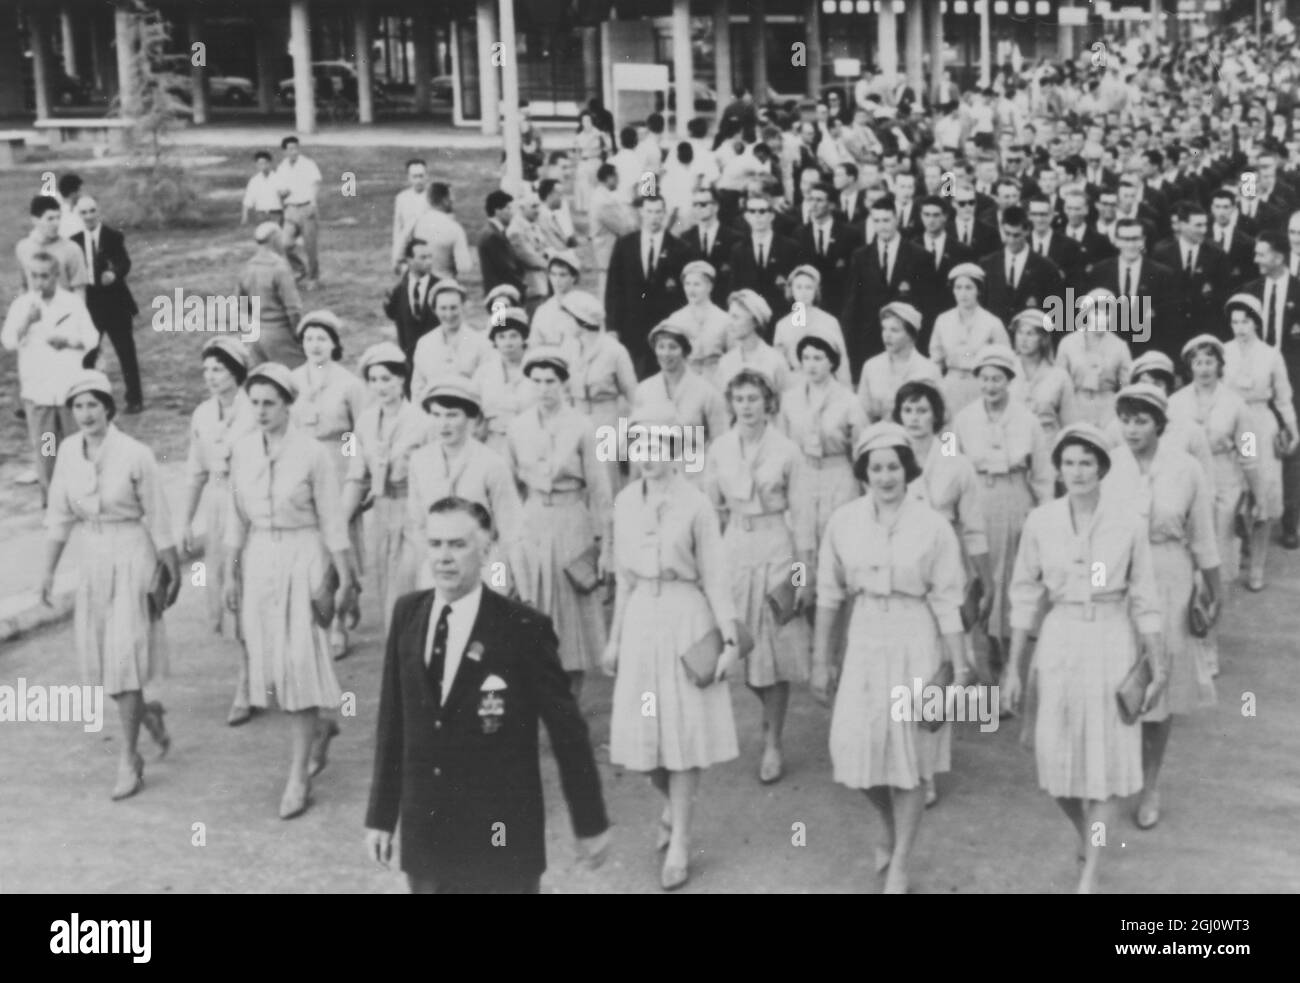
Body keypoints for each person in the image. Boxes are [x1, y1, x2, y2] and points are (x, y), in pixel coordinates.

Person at [364, 496, 610, 894]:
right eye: (436, 544)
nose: (444, 557)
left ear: (486, 550)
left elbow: (568, 733)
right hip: (427, 832)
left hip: (501, 836)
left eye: (458, 545)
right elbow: (392, 725)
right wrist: (380, 816)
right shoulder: (407, 614)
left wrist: (590, 821)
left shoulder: (522, 628)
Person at [1003, 422, 1165, 894]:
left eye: (1087, 463)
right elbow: (1024, 596)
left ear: (1102, 469)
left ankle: (1091, 874)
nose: (1077, 472)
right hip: (1059, 639)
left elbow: (1146, 599)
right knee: (1056, 764)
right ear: (1058, 469)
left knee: (1105, 763)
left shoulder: (1128, 523)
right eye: (1069, 463)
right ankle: (1089, 835)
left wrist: (1157, 662)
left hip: (1112, 638)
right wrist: (1014, 666)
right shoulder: (1040, 521)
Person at [810, 421, 967, 893]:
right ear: (863, 472)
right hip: (864, 637)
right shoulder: (844, 521)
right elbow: (827, 594)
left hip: (915, 638)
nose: (885, 477)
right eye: (875, 468)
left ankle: (900, 860)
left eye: (893, 467)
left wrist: (960, 668)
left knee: (908, 757)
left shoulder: (933, 524)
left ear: (908, 469)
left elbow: (947, 599)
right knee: (854, 749)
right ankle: (889, 825)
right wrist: (822, 659)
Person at [603, 413, 740, 891]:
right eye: (639, 448)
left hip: (686, 617)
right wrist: (616, 637)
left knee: (681, 735)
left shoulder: (697, 505)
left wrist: (729, 638)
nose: (647, 458)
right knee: (644, 744)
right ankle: (669, 804)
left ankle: (681, 837)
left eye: (657, 448)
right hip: (642, 617)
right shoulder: (623, 502)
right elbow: (622, 579)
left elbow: (717, 577)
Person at [223, 362, 357, 819]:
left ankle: (298, 776)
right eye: (254, 402)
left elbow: (334, 522)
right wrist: (229, 574)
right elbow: (235, 522)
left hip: (305, 558)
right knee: (277, 668)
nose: (260, 411)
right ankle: (319, 727)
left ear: (287, 405)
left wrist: (343, 581)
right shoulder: (241, 452)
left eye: (269, 403)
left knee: (300, 663)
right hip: (260, 560)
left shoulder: (313, 455)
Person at [40, 370, 181, 800]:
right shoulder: (66, 452)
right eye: (77, 407)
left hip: (132, 554)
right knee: (108, 661)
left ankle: (128, 757)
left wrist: (170, 570)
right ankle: (146, 713)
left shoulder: (135, 454)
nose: (85, 414)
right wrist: (47, 571)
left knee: (125, 656)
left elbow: (158, 516)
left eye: (92, 405)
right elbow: (60, 515)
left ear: (109, 407)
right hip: (93, 558)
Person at [1104, 383, 1220, 831]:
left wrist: (1213, 592)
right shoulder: (1109, 464)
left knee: (1159, 687)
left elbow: (1204, 538)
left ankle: (1151, 783)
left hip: (1170, 575)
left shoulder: (1187, 468)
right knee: (1120, 678)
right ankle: (1120, 774)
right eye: (1126, 420)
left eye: (1141, 421)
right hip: (1121, 577)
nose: (1131, 430)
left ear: (1160, 424)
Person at [706, 369, 813, 785]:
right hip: (734, 547)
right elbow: (710, 510)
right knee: (741, 647)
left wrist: (802, 577)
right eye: (740, 399)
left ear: (768, 403)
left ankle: (773, 739)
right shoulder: (720, 449)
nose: (747, 407)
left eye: (754, 399)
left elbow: (803, 520)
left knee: (775, 651)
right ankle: (767, 719)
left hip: (776, 549)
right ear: (731, 403)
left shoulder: (788, 451)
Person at [505, 349, 611, 701]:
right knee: (534, 607)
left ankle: (571, 705)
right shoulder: (518, 427)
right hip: (534, 519)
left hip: (571, 520)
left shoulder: (582, 426)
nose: (543, 388)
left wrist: (604, 543)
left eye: (551, 381)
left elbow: (599, 489)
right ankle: (541, 702)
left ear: (564, 384)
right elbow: (510, 488)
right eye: (536, 381)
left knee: (572, 616)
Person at [951, 344, 1054, 688]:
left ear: (1009, 381)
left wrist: (1042, 514)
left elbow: (1041, 473)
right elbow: (949, 462)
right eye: (984, 379)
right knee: (976, 580)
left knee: (1010, 581)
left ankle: (1008, 665)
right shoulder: (963, 418)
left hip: (1014, 497)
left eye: (997, 379)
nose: (991, 386)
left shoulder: (1028, 421)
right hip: (976, 497)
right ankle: (979, 666)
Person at [178, 338, 258, 725]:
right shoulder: (202, 415)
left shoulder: (257, 409)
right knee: (229, 591)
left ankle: (258, 675)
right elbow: (195, 471)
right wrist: (185, 520)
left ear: (237, 373)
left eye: (219, 369)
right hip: (217, 503)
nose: (210, 377)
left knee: (254, 588)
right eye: (206, 369)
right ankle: (248, 675)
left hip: (252, 506)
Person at [289, 311, 371, 657]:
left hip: (338, 465)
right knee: (312, 547)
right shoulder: (292, 380)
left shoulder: (350, 384)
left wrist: (355, 477)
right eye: (309, 339)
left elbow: (360, 434)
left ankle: (338, 621)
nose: (315, 345)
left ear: (334, 344)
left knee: (338, 544)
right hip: (303, 467)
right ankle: (331, 606)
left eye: (322, 338)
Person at [339, 342, 432, 634]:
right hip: (381, 511)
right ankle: (397, 650)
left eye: (386, 379)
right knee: (386, 582)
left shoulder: (422, 421)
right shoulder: (365, 422)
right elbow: (357, 473)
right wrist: (340, 519)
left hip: (414, 510)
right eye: (374, 380)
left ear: (402, 379)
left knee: (411, 579)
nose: (380, 386)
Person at [405, 375, 524, 596]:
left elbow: (510, 529)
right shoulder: (419, 461)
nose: (443, 423)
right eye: (436, 415)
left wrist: (507, 579)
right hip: (438, 564)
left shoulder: (492, 463)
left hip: (486, 564)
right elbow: (418, 522)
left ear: (469, 418)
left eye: (452, 415)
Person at [1169, 334, 1265, 603]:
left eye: (1209, 361)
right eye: (1197, 362)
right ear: (1190, 367)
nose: (1204, 368)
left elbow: (1248, 451)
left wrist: (1257, 494)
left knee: (1220, 542)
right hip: (1187, 476)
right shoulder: (1175, 403)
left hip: (1224, 478)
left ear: (1220, 365)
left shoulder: (1236, 404)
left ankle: (1216, 603)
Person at [2, 251, 99, 505]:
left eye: (44, 276)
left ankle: (80, 503)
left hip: (70, 395)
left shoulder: (72, 303)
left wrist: (68, 342)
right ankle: (53, 507)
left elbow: (92, 338)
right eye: (34, 276)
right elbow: (9, 342)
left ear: (56, 275)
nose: (39, 282)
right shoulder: (21, 305)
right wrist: (26, 321)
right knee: (48, 453)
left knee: (76, 450)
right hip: (40, 396)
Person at [1221, 293, 1299, 590]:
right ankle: (1237, 551)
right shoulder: (1223, 351)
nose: (1239, 328)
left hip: (1258, 426)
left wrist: (1293, 430)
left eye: (1245, 322)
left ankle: (1257, 566)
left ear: (1256, 323)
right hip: (1231, 425)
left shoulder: (1270, 354)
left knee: (1261, 493)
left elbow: (1283, 398)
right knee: (1233, 493)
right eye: (1235, 322)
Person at [777, 334, 868, 564]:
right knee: (802, 541)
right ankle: (802, 590)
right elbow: (783, 445)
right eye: (805, 358)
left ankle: (836, 596)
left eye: (818, 358)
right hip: (803, 474)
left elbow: (860, 449)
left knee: (838, 538)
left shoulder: (849, 400)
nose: (811, 364)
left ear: (832, 362)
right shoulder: (789, 399)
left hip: (837, 472)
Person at [605, 194, 690, 377]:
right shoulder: (625, 245)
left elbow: (683, 295)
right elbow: (613, 288)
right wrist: (612, 327)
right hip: (631, 327)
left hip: (664, 329)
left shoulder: (679, 248)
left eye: (659, 212)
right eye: (649, 212)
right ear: (641, 213)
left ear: (665, 214)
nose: (654, 217)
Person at [72, 196, 142, 413]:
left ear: (98, 211)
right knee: (87, 354)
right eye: (83, 213)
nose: (89, 216)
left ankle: (134, 399)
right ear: (78, 215)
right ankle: (91, 398)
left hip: (116, 302)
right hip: (90, 303)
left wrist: (114, 273)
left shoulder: (113, 236)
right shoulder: (73, 241)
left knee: (126, 352)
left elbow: (124, 262)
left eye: (92, 211)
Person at [564, 290, 637, 498]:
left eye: (569, 318)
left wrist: (627, 434)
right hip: (576, 417)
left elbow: (633, 395)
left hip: (606, 420)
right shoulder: (569, 348)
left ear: (581, 321)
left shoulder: (615, 351)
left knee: (605, 479)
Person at [633, 322, 730, 476]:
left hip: (695, 477)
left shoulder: (706, 392)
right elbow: (637, 442)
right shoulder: (644, 390)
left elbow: (720, 441)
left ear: (685, 351)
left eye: (673, 347)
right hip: (656, 477)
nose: (666, 353)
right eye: (661, 347)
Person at [927, 264, 1010, 416]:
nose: (963, 293)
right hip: (950, 387)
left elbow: (1006, 359)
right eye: (958, 288)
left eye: (968, 287)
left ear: (978, 290)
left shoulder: (992, 322)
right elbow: (935, 360)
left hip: (981, 387)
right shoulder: (943, 320)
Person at [1054, 288, 1133, 427]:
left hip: (1108, 410)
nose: (1101, 319)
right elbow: (1058, 382)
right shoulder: (1068, 343)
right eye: (1096, 313)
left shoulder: (1120, 346)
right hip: (1074, 407)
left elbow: (1126, 386)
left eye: (1107, 313)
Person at [857, 302, 942, 423]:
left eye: (894, 330)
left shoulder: (929, 370)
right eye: (884, 329)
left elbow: (944, 420)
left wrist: (945, 443)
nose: (887, 335)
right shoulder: (871, 366)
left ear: (911, 335)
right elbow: (861, 415)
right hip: (880, 438)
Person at [410, 279, 496, 393]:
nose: (449, 314)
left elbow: (487, 385)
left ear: (463, 307)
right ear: (435, 310)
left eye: (453, 307)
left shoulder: (481, 343)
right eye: (443, 308)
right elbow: (417, 386)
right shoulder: (425, 343)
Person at [771, 265, 852, 387]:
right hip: (795, 386)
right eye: (799, 287)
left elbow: (842, 363)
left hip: (826, 384)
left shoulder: (830, 321)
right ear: (791, 290)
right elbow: (779, 366)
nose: (803, 292)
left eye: (809, 287)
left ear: (816, 291)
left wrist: (846, 393)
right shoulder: (782, 325)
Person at [238, 222, 304, 368]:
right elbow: (293, 310)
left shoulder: (247, 267)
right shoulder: (279, 268)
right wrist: (300, 336)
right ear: (275, 239)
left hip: (254, 336)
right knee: (300, 373)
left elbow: (241, 307)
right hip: (278, 334)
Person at [474, 306, 537, 456]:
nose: (508, 343)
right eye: (501, 337)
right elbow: (475, 412)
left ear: (523, 338)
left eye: (514, 336)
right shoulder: (484, 373)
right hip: (494, 443)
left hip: (531, 442)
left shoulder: (537, 370)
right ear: (494, 341)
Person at [1011, 307, 1076, 441]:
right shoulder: (1007, 370)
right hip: (1012, 443)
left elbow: (1069, 423)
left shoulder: (1059, 376)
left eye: (1030, 334)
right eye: (1020, 333)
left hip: (1047, 445)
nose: (1023, 339)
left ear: (1043, 339)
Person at [666, 260, 731, 388]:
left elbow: (733, 355)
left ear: (709, 286)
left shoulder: (724, 319)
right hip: (685, 382)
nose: (691, 290)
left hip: (717, 383)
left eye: (697, 284)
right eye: (687, 284)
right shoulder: (676, 319)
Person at [717, 289, 790, 393]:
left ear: (755, 321)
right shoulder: (725, 362)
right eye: (730, 317)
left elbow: (785, 403)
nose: (729, 323)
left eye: (736, 317)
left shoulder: (776, 361)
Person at [15, 195, 87, 296]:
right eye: (50, 219)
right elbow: (23, 286)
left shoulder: (72, 249)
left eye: (58, 218)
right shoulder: (23, 248)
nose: (56, 223)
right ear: (35, 220)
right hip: (35, 310)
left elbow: (79, 290)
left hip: (64, 310)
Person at [383, 238, 438, 364]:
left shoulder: (440, 287)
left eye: (430, 257)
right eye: (423, 258)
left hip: (435, 359)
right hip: (409, 361)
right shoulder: (397, 291)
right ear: (409, 260)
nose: (429, 262)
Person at [277, 136, 322, 286]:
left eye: (296, 148)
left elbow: (315, 183)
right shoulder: (282, 167)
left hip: (306, 207)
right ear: (284, 151)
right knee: (284, 244)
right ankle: (299, 269)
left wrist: (313, 203)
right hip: (290, 209)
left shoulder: (308, 164)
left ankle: (313, 278)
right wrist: (283, 194)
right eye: (290, 149)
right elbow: (281, 190)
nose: (294, 151)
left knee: (310, 247)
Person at [407, 182, 475, 282]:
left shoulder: (416, 223)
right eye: (451, 197)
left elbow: (401, 256)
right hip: (444, 287)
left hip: (419, 287)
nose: (453, 200)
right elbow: (464, 267)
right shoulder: (455, 229)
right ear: (445, 201)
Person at [588, 164, 637, 300]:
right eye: (616, 177)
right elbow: (623, 228)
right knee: (608, 291)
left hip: (608, 249)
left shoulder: (604, 196)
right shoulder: (603, 201)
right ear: (609, 177)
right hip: (607, 250)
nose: (618, 180)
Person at [528, 251, 584, 357]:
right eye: (553, 274)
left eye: (562, 275)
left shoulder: (584, 306)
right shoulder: (543, 310)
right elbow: (534, 344)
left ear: (574, 277)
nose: (557, 280)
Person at [478, 191, 524, 296]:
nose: (511, 212)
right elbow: (507, 270)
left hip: (500, 293)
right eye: (508, 208)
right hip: (501, 294)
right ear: (497, 211)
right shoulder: (493, 235)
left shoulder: (494, 232)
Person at [391, 158, 431, 272]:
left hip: (428, 250)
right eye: (415, 176)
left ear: (427, 176)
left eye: (421, 176)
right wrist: (396, 257)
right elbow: (398, 229)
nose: (418, 180)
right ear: (408, 177)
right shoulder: (402, 198)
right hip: (408, 252)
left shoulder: (432, 197)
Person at [574, 111, 613, 213]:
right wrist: (579, 162)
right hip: (584, 162)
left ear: (592, 121)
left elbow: (608, 148)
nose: (586, 123)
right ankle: (585, 208)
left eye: (588, 120)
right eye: (584, 121)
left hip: (595, 161)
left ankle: (596, 206)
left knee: (595, 186)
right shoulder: (579, 136)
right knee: (583, 184)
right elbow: (577, 151)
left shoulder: (599, 134)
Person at [242, 150, 286, 229]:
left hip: (276, 214)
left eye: (265, 163)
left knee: (276, 237)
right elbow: (248, 200)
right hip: (261, 215)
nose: (263, 166)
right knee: (263, 237)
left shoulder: (278, 178)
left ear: (269, 163)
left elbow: (284, 195)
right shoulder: (254, 180)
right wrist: (244, 216)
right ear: (256, 165)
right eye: (260, 164)